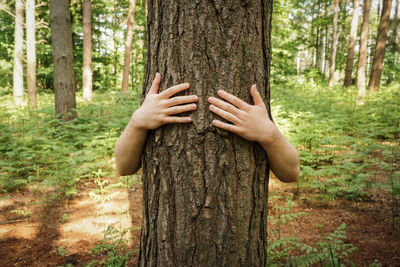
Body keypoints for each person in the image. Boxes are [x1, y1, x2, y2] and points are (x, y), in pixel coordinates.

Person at [115, 73, 300, 183]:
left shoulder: (259, 115)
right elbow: (124, 167)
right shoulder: (150, 107)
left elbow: (291, 173)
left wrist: (270, 135)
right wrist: (136, 122)